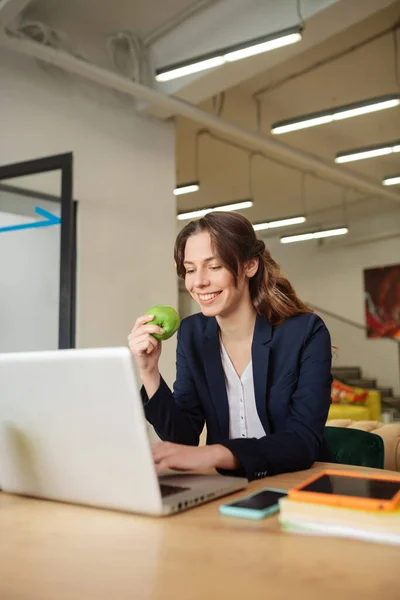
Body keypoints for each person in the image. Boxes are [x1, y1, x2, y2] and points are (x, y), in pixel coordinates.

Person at [128, 211, 332, 481]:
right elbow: (184, 437)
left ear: (249, 265)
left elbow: (303, 441)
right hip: (224, 484)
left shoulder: (305, 332)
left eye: (214, 267)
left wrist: (215, 453)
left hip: (294, 481)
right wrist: (149, 372)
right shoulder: (192, 334)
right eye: (190, 269)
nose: (199, 281)